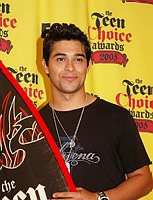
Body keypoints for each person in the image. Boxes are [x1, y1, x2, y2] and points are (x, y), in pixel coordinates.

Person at [39, 23, 153, 200]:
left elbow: (144, 180)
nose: (70, 67)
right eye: (60, 59)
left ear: (88, 65)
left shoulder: (116, 117)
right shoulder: (31, 124)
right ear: (46, 65)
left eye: (78, 59)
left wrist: (98, 198)